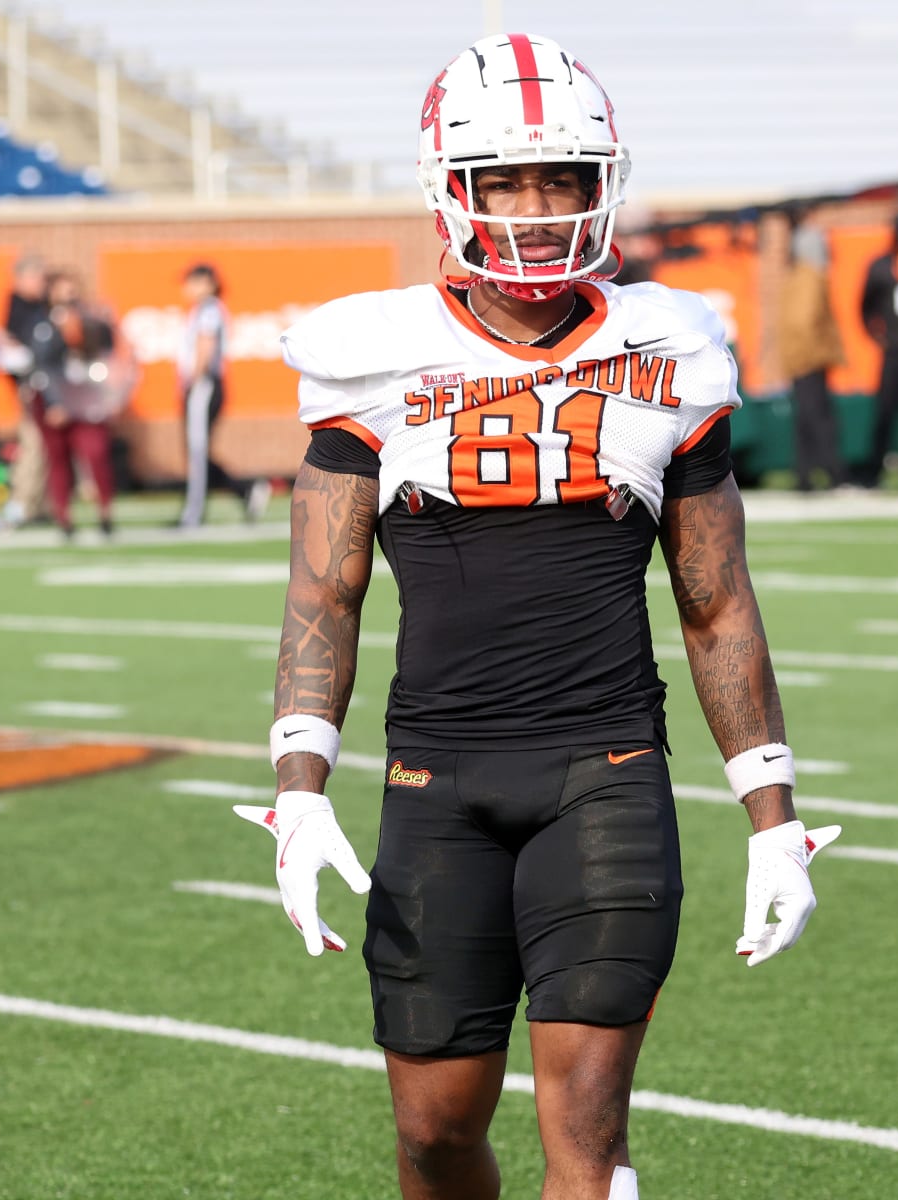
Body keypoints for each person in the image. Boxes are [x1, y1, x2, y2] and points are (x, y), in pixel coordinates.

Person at [240, 34, 839, 1200]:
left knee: (587, 1133)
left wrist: (771, 813)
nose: (533, 209)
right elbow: (326, 586)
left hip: (605, 771)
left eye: (558, 179)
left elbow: (715, 602)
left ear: (599, 186)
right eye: (504, 181)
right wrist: (298, 784)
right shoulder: (373, 355)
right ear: (447, 191)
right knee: (434, 1134)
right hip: (436, 781)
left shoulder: (667, 346)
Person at [27, 271, 128, 540]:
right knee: (58, 460)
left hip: (85, 398)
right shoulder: (44, 327)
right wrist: (54, 402)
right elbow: (42, 366)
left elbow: (107, 354)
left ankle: (105, 512)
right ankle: (63, 516)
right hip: (57, 401)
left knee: (96, 453)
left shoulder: (90, 320)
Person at [175, 263, 268, 528]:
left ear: (207, 282)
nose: (188, 289)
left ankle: (194, 512)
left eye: (192, 282)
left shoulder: (209, 309)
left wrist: (193, 379)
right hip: (202, 385)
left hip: (204, 385)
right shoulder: (201, 310)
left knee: (196, 450)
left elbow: (206, 345)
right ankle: (245, 490)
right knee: (195, 451)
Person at [775, 207, 846, 491]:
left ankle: (805, 476)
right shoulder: (810, 277)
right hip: (808, 356)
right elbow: (806, 320)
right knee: (819, 417)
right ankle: (833, 472)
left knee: (806, 418)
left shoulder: (794, 277)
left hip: (798, 356)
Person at [856, 207, 898, 487]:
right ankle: (873, 471)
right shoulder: (882, 265)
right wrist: (879, 336)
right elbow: (865, 307)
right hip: (895, 349)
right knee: (885, 412)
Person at [2, 254, 51, 527]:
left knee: (45, 446)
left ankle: (38, 504)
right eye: (38, 277)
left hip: (47, 386)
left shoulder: (39, 306)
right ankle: (21, 503)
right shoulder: (19, 307)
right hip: (30, 386)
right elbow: (13, 351)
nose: (42, 283)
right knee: (32, 444)